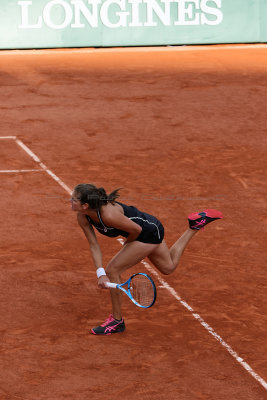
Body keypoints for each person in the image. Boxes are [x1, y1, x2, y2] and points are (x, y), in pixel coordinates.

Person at [70, 183, 223, 335]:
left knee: (113, 270)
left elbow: (136, 230)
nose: (70, 200)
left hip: (147, 232)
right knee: (168, 267)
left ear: (85, 205)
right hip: (149, 226)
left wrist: (128, 244)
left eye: (74, 199)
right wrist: (99, 273)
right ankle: (194, 226)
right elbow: (93, 245)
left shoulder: (109, 215)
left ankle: (117, 321)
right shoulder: (83, 217)